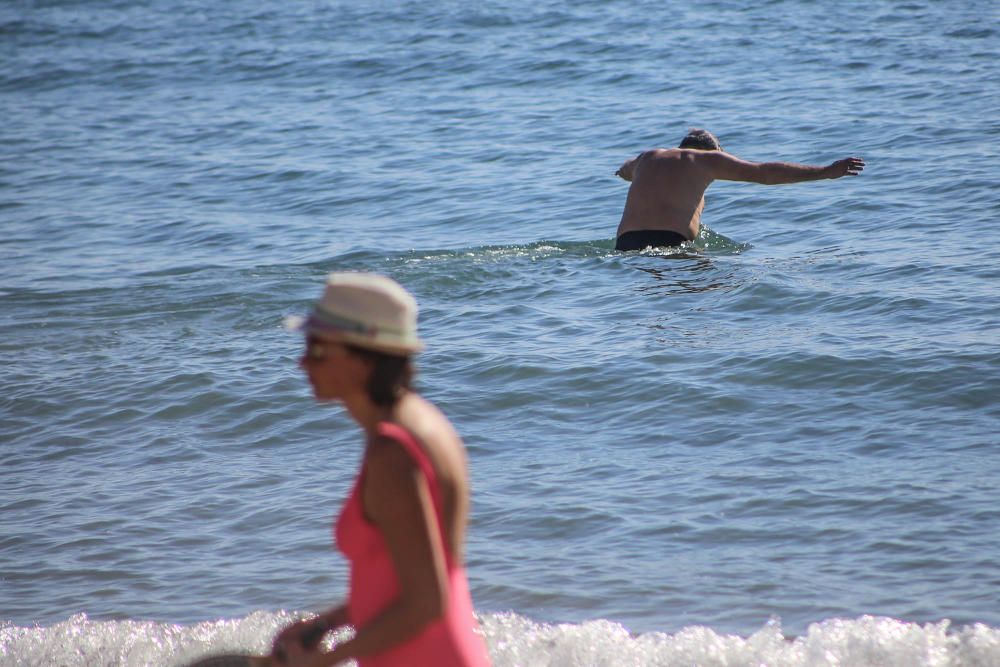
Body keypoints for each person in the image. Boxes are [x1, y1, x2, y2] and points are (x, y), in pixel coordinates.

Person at [273, 272, 492, 667]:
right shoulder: (427, 424)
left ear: (364, 359)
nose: (302, 361)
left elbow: (426, 603)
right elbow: (417, 578)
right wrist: (329, 622)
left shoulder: (393, 452)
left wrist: (328, 659)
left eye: (318, 349)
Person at [614, 128, 865, 251]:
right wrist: (825, 172)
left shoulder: (646, 158)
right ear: (714, 152)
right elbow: (764, 173)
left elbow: (624, 170)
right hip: (670, 246)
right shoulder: (706, 159)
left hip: (625, 246)